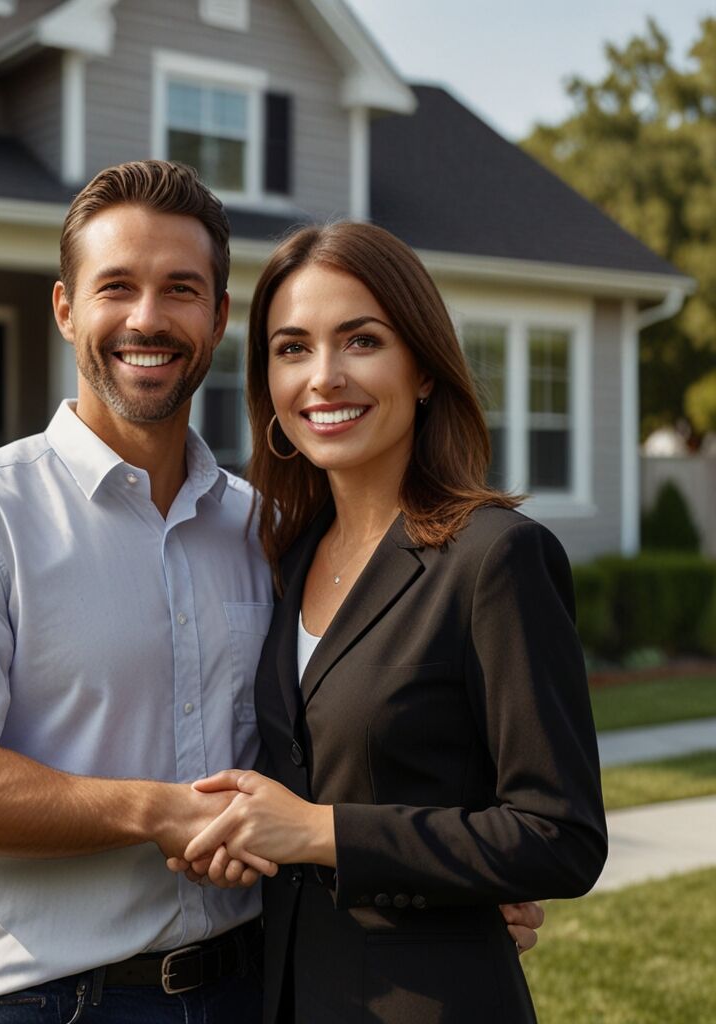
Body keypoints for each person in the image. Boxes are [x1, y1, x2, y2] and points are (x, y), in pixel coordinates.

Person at [0, 163, 544, 1024]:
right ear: (66, 308)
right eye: (118, 287)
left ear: (219, 320)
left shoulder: (269, 533)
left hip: (253, 989)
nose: (148, 318)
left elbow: (344, 748)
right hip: (50, 1003)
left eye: (180, 289)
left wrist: (457, 878)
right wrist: (156, 812)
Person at [174, 222, 607, 1023]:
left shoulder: (497, 559)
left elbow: (560, 834)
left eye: (361, 341)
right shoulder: (287, 555)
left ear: (425, 370)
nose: (324, 378)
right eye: (293, 348)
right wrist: (255, 839)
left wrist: (321, 832)